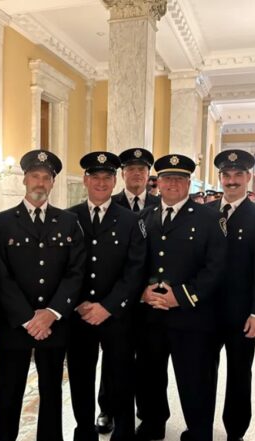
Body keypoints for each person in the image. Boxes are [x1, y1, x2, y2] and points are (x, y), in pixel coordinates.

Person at [0, 150, 86, 441]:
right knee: (9, 393)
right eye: (35, 175)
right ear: (24, 179)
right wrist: (27, 318)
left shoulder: (68, 222)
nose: (40, 182)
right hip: (14, 324)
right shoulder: (1, 222)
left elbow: (76, 272)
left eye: (47, 177)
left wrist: (51, 313)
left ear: (53, 183)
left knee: (51, 393)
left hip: (54, 324)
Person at [136, 154, 227, 441]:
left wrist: (182, 297)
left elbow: (216, 267)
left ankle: (199, 431)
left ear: (189, 183)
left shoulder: (211, 218)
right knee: (150, 375)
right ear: (157, 183)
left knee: (195, 377)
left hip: (192, 314)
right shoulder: (144, 217)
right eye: (167, 178)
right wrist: (141, 291)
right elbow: (134, 261)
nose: (172, 184)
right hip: (150, 313)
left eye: (179, 179)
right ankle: (152, 423)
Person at [67, 151, 147, 441]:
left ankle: (123, 433)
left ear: (115, 181)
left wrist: (108, 306)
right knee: (80, 377)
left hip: (117, 316)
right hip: (79, 315)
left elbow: (135, 270)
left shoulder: (130, 220)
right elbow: (63, 267)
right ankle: (84, 431)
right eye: (95, 177)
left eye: (107, 177)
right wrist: (77, 304)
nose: (101, 183)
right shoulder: (69, 217)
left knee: (120, 377)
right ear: (86, 180)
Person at [208, 150, 255, 441]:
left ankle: (235, 431)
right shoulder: (205, 212)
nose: (231, 181)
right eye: (227, 175)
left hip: (242, 314)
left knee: (239, 375)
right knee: (202, 374)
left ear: (249, 177)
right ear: (220, 178)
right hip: (205, 312)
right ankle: (200, 426)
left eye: (238, 175)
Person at [98, 147, 157, 433]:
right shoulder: (110, 202)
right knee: (112, 358)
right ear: (122, 175)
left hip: (149, 299)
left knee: (148, 358)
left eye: (142, 170)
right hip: (116, 296)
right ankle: (107, 409)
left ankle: (148, 411)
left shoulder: (161, 203)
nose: (136, 174)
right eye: (131, 169)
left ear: (148, 175)